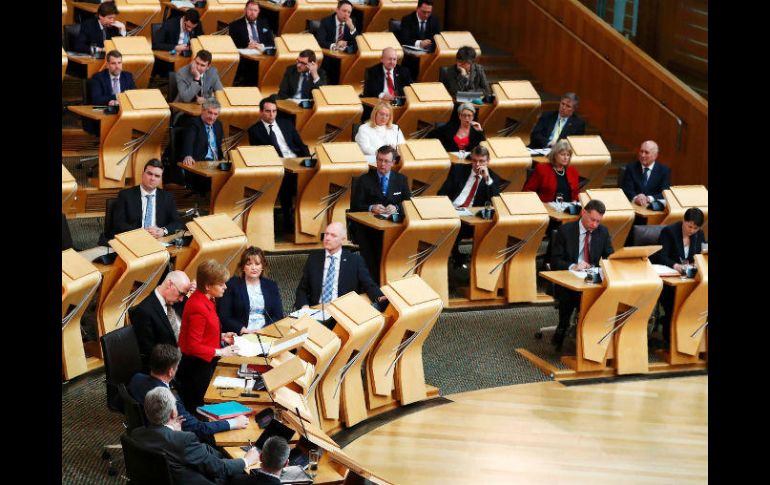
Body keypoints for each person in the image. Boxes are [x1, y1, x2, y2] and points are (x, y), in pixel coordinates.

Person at [130, 386, 258, 484]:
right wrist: (246, 460)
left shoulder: (136, 434)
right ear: (174, 413)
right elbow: (219, 469)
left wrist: (174, 433)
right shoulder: (183, 440)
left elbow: (169, 446)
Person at [128, 345, 248, 442]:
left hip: (143, 433)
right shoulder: (169, 401)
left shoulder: (136, 378)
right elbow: (198, 428)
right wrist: (233, 423)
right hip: (170, 439)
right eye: (176, 367)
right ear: (171, 372)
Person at [550, 199, 614, 351]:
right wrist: (573, 266)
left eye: (598, 221)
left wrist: (610, 263)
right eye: (593, 220)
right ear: (583, 213)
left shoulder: (602, 232)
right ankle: (563, 327)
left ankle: (592, 336)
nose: (595, 225)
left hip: (591, 278)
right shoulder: (565, 231)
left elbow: (609, 255)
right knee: (570, 295)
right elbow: (555, 261)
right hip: (568, 278)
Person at [176, 259, 240, 410]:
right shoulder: (198, 306)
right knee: (201, 410)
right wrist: (221, 351)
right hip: (196, 369)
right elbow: (192, 345)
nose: (225, 287)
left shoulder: (208, 299)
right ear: (208, 286)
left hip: (205, 363)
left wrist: (221, 336)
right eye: (220, 284)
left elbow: (205, 329)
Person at [248, 96, 310, 233]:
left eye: (274, 111)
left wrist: (308, 160)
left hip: (297, 162)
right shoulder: (254, 130)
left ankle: (307, 219)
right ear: (261, 112)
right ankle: (288, 219)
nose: (271, 114)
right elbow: (261, 155)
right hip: (278, 166)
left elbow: (300, 145)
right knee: (286, 181)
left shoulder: (287, 123)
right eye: (268, 111)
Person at [294, 222, 385, 313]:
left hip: (343, 311)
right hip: (317, 311)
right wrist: (304, 308)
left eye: (333, 235)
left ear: (342, 239)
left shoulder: (355, 261)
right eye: (326, 234)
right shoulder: (314, 258)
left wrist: (380, 297)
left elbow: (369, 285)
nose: (328, 238)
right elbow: (302, 289)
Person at [350, 146, 411, 282]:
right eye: (379, 160)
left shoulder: (401, 180)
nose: (382, 164)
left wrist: (396, 207)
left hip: (393, 225)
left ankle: (394, 279)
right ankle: (374, 282)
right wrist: (371, 207)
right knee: (374, 248)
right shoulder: (364, 180)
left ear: (393, 162)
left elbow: (408, 203)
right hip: (368, 227)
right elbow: (355, 206)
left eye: (386, 161)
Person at [437, 145, 501, 268]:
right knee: (448, 226)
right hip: (451, 210)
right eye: (475, 161)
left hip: (471, 219)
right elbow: (442, 193)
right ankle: (454, 258)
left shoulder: (493, 178)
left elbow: (496, 202)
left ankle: (458, 258)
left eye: (481, 161)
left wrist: (487, 179)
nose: (477, 165)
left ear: (488, 161)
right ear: (471, 159)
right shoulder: (458, 170)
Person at [653, 207, 706, 346]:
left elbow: (702, 254)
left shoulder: (699, 235)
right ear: (684, 221)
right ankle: (671, 339)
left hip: (690, 279)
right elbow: (661, 257)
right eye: (690, 226)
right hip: (669, 281)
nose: (692, 230)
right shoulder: (669, 232)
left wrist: (697, 263)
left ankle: (691, 339)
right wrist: (677, 266)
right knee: (675, 302)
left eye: (695, 228)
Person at [130, 271, 195, 369]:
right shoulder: (144, 311)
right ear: (169, 284)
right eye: (181, 293)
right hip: (168, 367)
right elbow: (149, 353)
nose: (182, 299)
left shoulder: (180, 301)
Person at [110, 159, 182, 241]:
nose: (152, 178)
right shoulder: (126, 195)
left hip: (158, 240)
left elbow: (177, 223)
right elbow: (119, 223)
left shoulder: (167, 197)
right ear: (143, 174)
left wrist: (163, 231)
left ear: (160, 179)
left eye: (157, 176)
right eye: (149, 174)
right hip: (134, 239)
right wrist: (140, 233)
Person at [217, 246, 284, 335]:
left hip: (266, 331)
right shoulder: (231, 285)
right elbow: (224, 316)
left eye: (257, 264)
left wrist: (264, 330)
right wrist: (243, 330)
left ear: (262, 266)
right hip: (241, 332)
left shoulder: (271, 285)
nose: (254, 268)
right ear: (243, 267)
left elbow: (278, 315)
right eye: (249, 264)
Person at [360, 47, 413, 122]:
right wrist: (382, 95)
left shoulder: (403, 71)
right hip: (379, 105)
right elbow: (368, 92)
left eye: (394, 59)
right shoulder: (372, 71)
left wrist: (398, 97)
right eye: (389, 59)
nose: (392, 62)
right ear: (382, 59)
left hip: (398, 106)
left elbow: (410, 89)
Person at [229, 0, 275, 86]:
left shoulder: (264, 23)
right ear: (245, 10)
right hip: (245, 58)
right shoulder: (235, 25)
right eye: (250, 10)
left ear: (258, 12)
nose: (252, 13)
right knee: (252, 68)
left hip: (262, 55)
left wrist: (261, 46)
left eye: (255, 10)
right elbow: (232, 46)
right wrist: (246, 47)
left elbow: (271, 43)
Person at [315, 1, 360, 84]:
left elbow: (358, 43)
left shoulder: (352, 22)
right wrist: (335, 46)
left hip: (345, 58)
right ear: (337, 10)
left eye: (349, 12)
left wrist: (352, 29)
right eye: (344, 11)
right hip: (329, 58)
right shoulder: (326, 21)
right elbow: (320, 41)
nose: (346, 14)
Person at [398, 0, 442, 78]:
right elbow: (404, 39)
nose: (426, 15)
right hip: (411, 58)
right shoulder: (407, 19)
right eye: (424, 12)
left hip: (428, 57)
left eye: (429, 12)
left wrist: (429, 44)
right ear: (417, 9)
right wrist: (419, 43)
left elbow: (438, 39)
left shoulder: (435, 20)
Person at [621, 140, 672, 206]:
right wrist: (636, 198)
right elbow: (627, 189)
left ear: (655, 155)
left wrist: (648, 198)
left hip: (652, 208)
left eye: (646, 152)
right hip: (634, 206)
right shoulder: (631, 168)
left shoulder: (664, 171)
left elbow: (665, 193)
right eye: (641, 151)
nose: (642, 155)